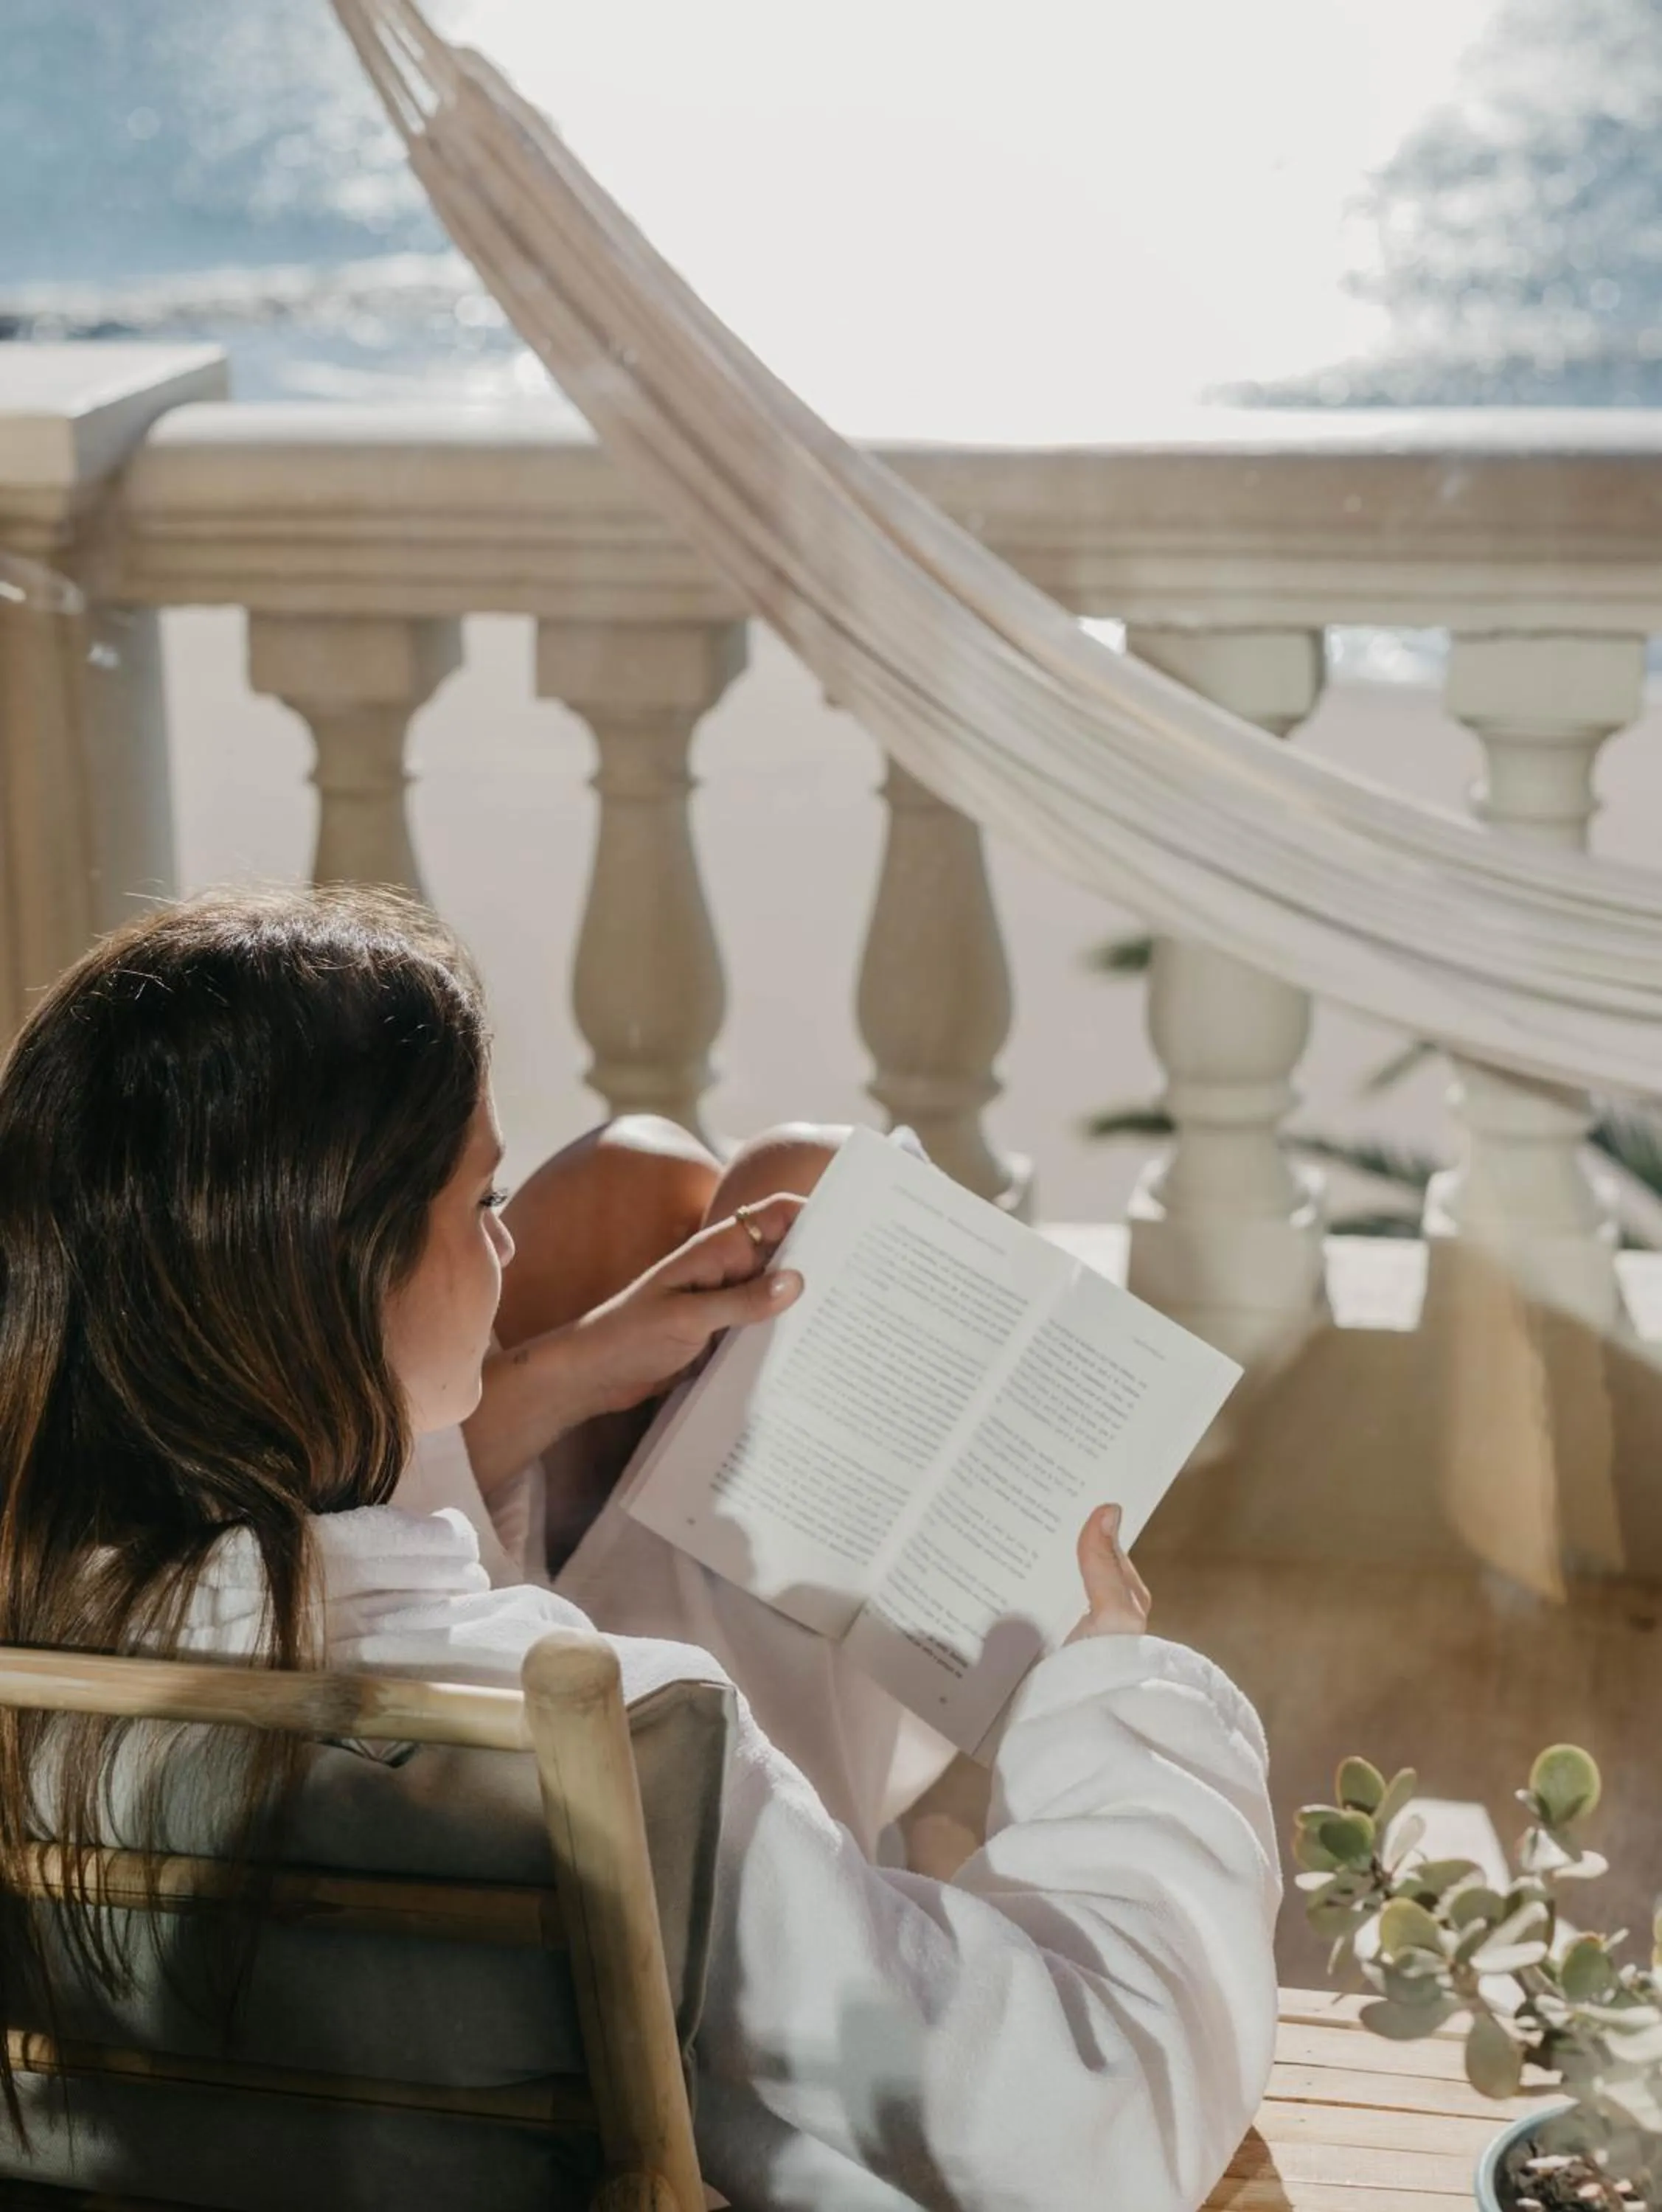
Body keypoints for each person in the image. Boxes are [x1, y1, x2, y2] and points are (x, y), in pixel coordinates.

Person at [0, 887, 1280, 2212]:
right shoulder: (601, 1743)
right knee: (759, 1183)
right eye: (485, 1197)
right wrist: (1120, 1695)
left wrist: (555, 1380)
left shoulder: (45, 1639)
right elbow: (1081, 2132)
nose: (508, 1238)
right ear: (346, 1266)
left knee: (661, 1179)